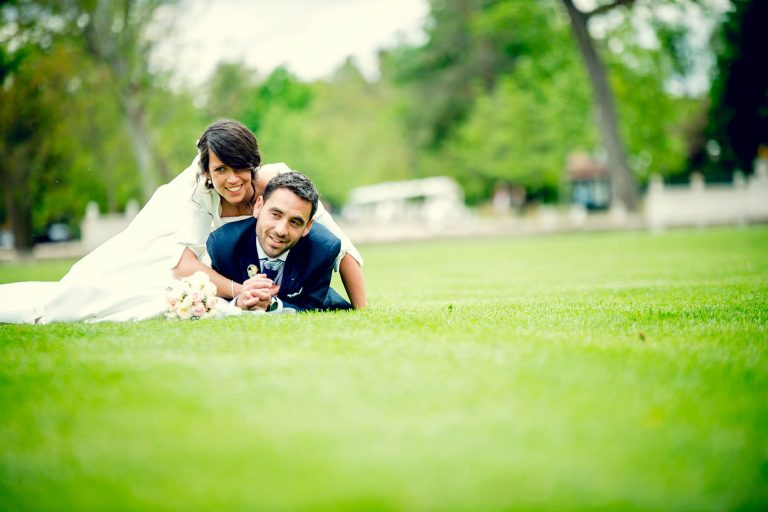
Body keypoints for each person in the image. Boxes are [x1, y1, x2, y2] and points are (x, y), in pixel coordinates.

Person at [0, 119, 365, 324]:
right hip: (172, 249)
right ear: (208, 172)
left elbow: (339, 246)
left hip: (212, 261)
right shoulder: (196, 195)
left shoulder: (279, 186)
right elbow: (183, 264)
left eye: (240, 168)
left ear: (254, 165)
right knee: (108, 292)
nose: (233, 179)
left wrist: (363, 312)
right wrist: (240, 291)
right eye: (221, 170)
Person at [208, 171, 350, 313]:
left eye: (295, 222)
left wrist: (273, 305)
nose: (281, 231)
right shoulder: (222, 244)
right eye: (275, 214)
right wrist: (238, 302)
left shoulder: (323, 249)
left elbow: (311, 307)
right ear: (259, 206)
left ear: (307, 226)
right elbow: (212, 298)